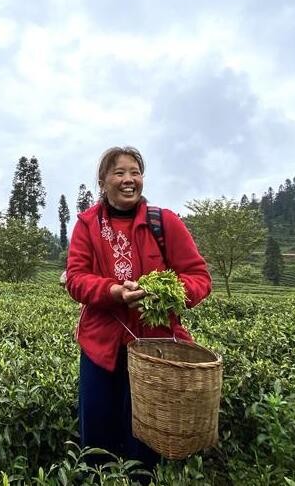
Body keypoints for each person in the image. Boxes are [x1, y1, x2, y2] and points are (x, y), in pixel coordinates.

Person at [64, 146, 213, 470]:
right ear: (103, 182)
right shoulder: (88, 225)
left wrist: (166, 294)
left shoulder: (165, 223)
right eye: (119, 173)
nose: (129, 179)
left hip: (154, 351)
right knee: (97, 442)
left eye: (135, 172)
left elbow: (200, 278)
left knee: (146, 444)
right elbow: (76, 278)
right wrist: (113, 291)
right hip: (101, 349)